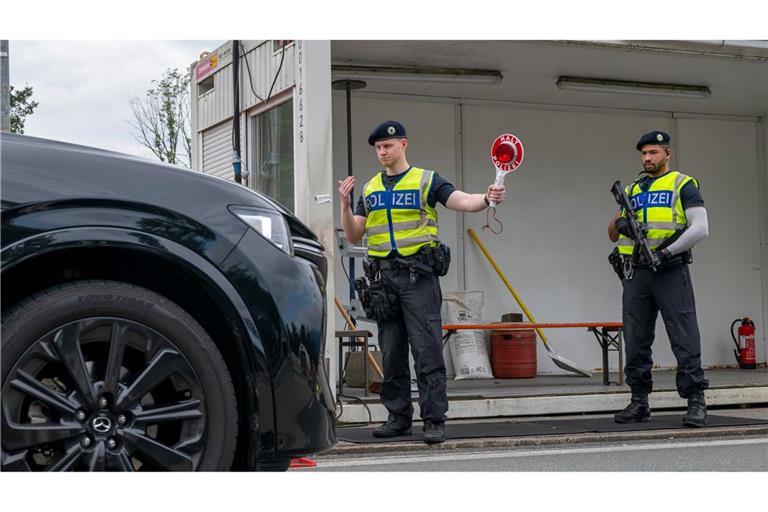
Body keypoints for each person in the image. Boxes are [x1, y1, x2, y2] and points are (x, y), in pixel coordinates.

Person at [338, 120, 506, 444]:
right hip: (384, 282)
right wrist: (345, 206)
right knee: (391, 353)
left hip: (419, 279)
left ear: (404, 144)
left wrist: (486, 197)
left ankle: (433, 420)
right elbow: (353, 233)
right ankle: (398, 418)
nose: (382, 152)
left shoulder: (426, 180)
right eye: (377, 148)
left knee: (427, 352)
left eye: (387, 146)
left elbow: (461, 201)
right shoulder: (371, 189)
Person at [608, 130, 710, 427]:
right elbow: (611, 234)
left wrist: (666, 253)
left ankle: (695, 401)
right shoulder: (633, 189)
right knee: (636, 338)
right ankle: (639, 401)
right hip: (636, 272)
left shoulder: (683, 183)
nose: (647, 158)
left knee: (684, 334)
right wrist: (621, 222)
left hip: (669, 269)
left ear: (667, 153)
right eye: (644, 153)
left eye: (653, 152)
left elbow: (700, 228)